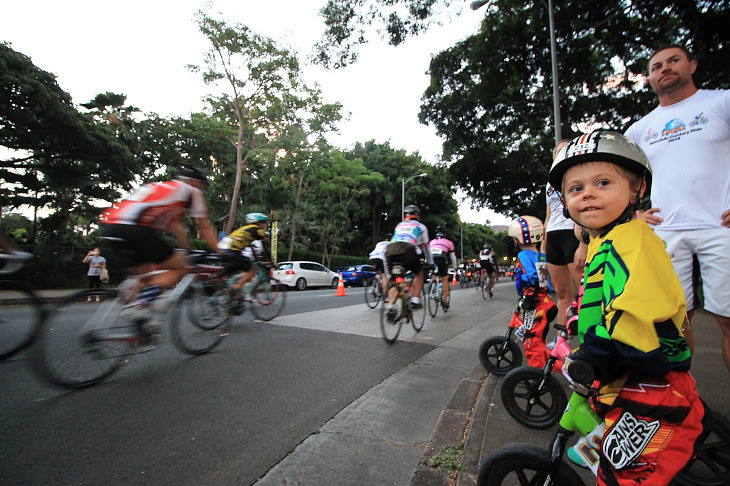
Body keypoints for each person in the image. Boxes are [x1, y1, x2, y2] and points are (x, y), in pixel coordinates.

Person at [550, 130, 708, 484]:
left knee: (621, 477)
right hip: (628, 376)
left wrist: (596, 354)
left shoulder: (632, 239)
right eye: (575, 189)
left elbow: (636, 309)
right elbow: (602, 297)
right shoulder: (607, 241)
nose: (587, 193)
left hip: (649, 379)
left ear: (636, 190)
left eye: (602, 182)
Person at [625, 44, 730, 375]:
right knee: (674, 324)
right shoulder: (640, 129)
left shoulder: (721, 102)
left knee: (728, 321)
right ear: (650, 78)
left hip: (721, 227)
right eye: (656, 66)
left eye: (673, 61)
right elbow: (621, 178)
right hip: (666, 232)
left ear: (692, 65)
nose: (664, 68)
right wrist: (635, 215)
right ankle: (682, 400)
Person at [99, 164, 220, 312]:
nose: (201, 188)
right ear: (194, 181)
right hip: (136, 228)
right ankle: (140, 306)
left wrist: (187, 248)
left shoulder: (163, 188)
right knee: (180, 268)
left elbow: (176, 227)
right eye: (201, 184)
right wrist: (221, 252)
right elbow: (204, 227)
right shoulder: (192, 191)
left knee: (144, 277)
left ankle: (130, 315)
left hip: (111, 226)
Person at [545, 139, 588, 327]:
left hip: (573, 234)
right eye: (560, 152)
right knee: (562, 294)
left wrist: (583, 244)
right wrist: (544, 243)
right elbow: (549, 213)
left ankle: (594, 343)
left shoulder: (581, 176)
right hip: (554, 235)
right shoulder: (549, 183)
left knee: (586, 293)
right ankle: (562, 341)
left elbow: (587, 210)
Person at [509, 215, 557, 370]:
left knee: (531, 341)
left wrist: (526, 291)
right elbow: (544, 280)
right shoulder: (540, 255)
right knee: (539, 340)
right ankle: (544, 367)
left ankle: (535, 376)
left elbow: (532, 276)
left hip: (534, 305)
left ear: (516, 240)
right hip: (546, 302)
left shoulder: (523, 255)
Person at [385, 205, 432, 317]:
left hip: (391, 250)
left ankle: (390, 307)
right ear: (417, 216)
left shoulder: (399, 225)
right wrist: (430, 262)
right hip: (408, 250)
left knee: (395, 280)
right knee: (419, 273)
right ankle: (415, 301)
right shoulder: (421, 226)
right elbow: (425, 247)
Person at [217, 212, 270, 299]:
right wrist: (270, 262)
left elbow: (250, 247)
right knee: (252, 270)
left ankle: (222, 291)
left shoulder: (244, 229)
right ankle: (235, 288)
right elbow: (265, 250)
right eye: (264, 222)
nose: (265, 224)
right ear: (258, 223)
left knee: (231, 273)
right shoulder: (258, 230)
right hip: (233, 251)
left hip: (221, 249)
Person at [429, 226, 457, 309]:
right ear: (445, 234)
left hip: (431, 258)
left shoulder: (432, 242)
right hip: (441, 258)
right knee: (444, 279)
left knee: (434, 274)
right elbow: (453, 257)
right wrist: (455, 267)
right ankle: (445, 301)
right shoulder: (449, 242)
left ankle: (431, 285)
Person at [369, 234, 391, 298]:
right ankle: (385, 296)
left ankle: (373, 287)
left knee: (378, 272)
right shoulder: (391, 244)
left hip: (372, 257)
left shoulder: (379, 243)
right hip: (381, 258)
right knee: (384, 276)